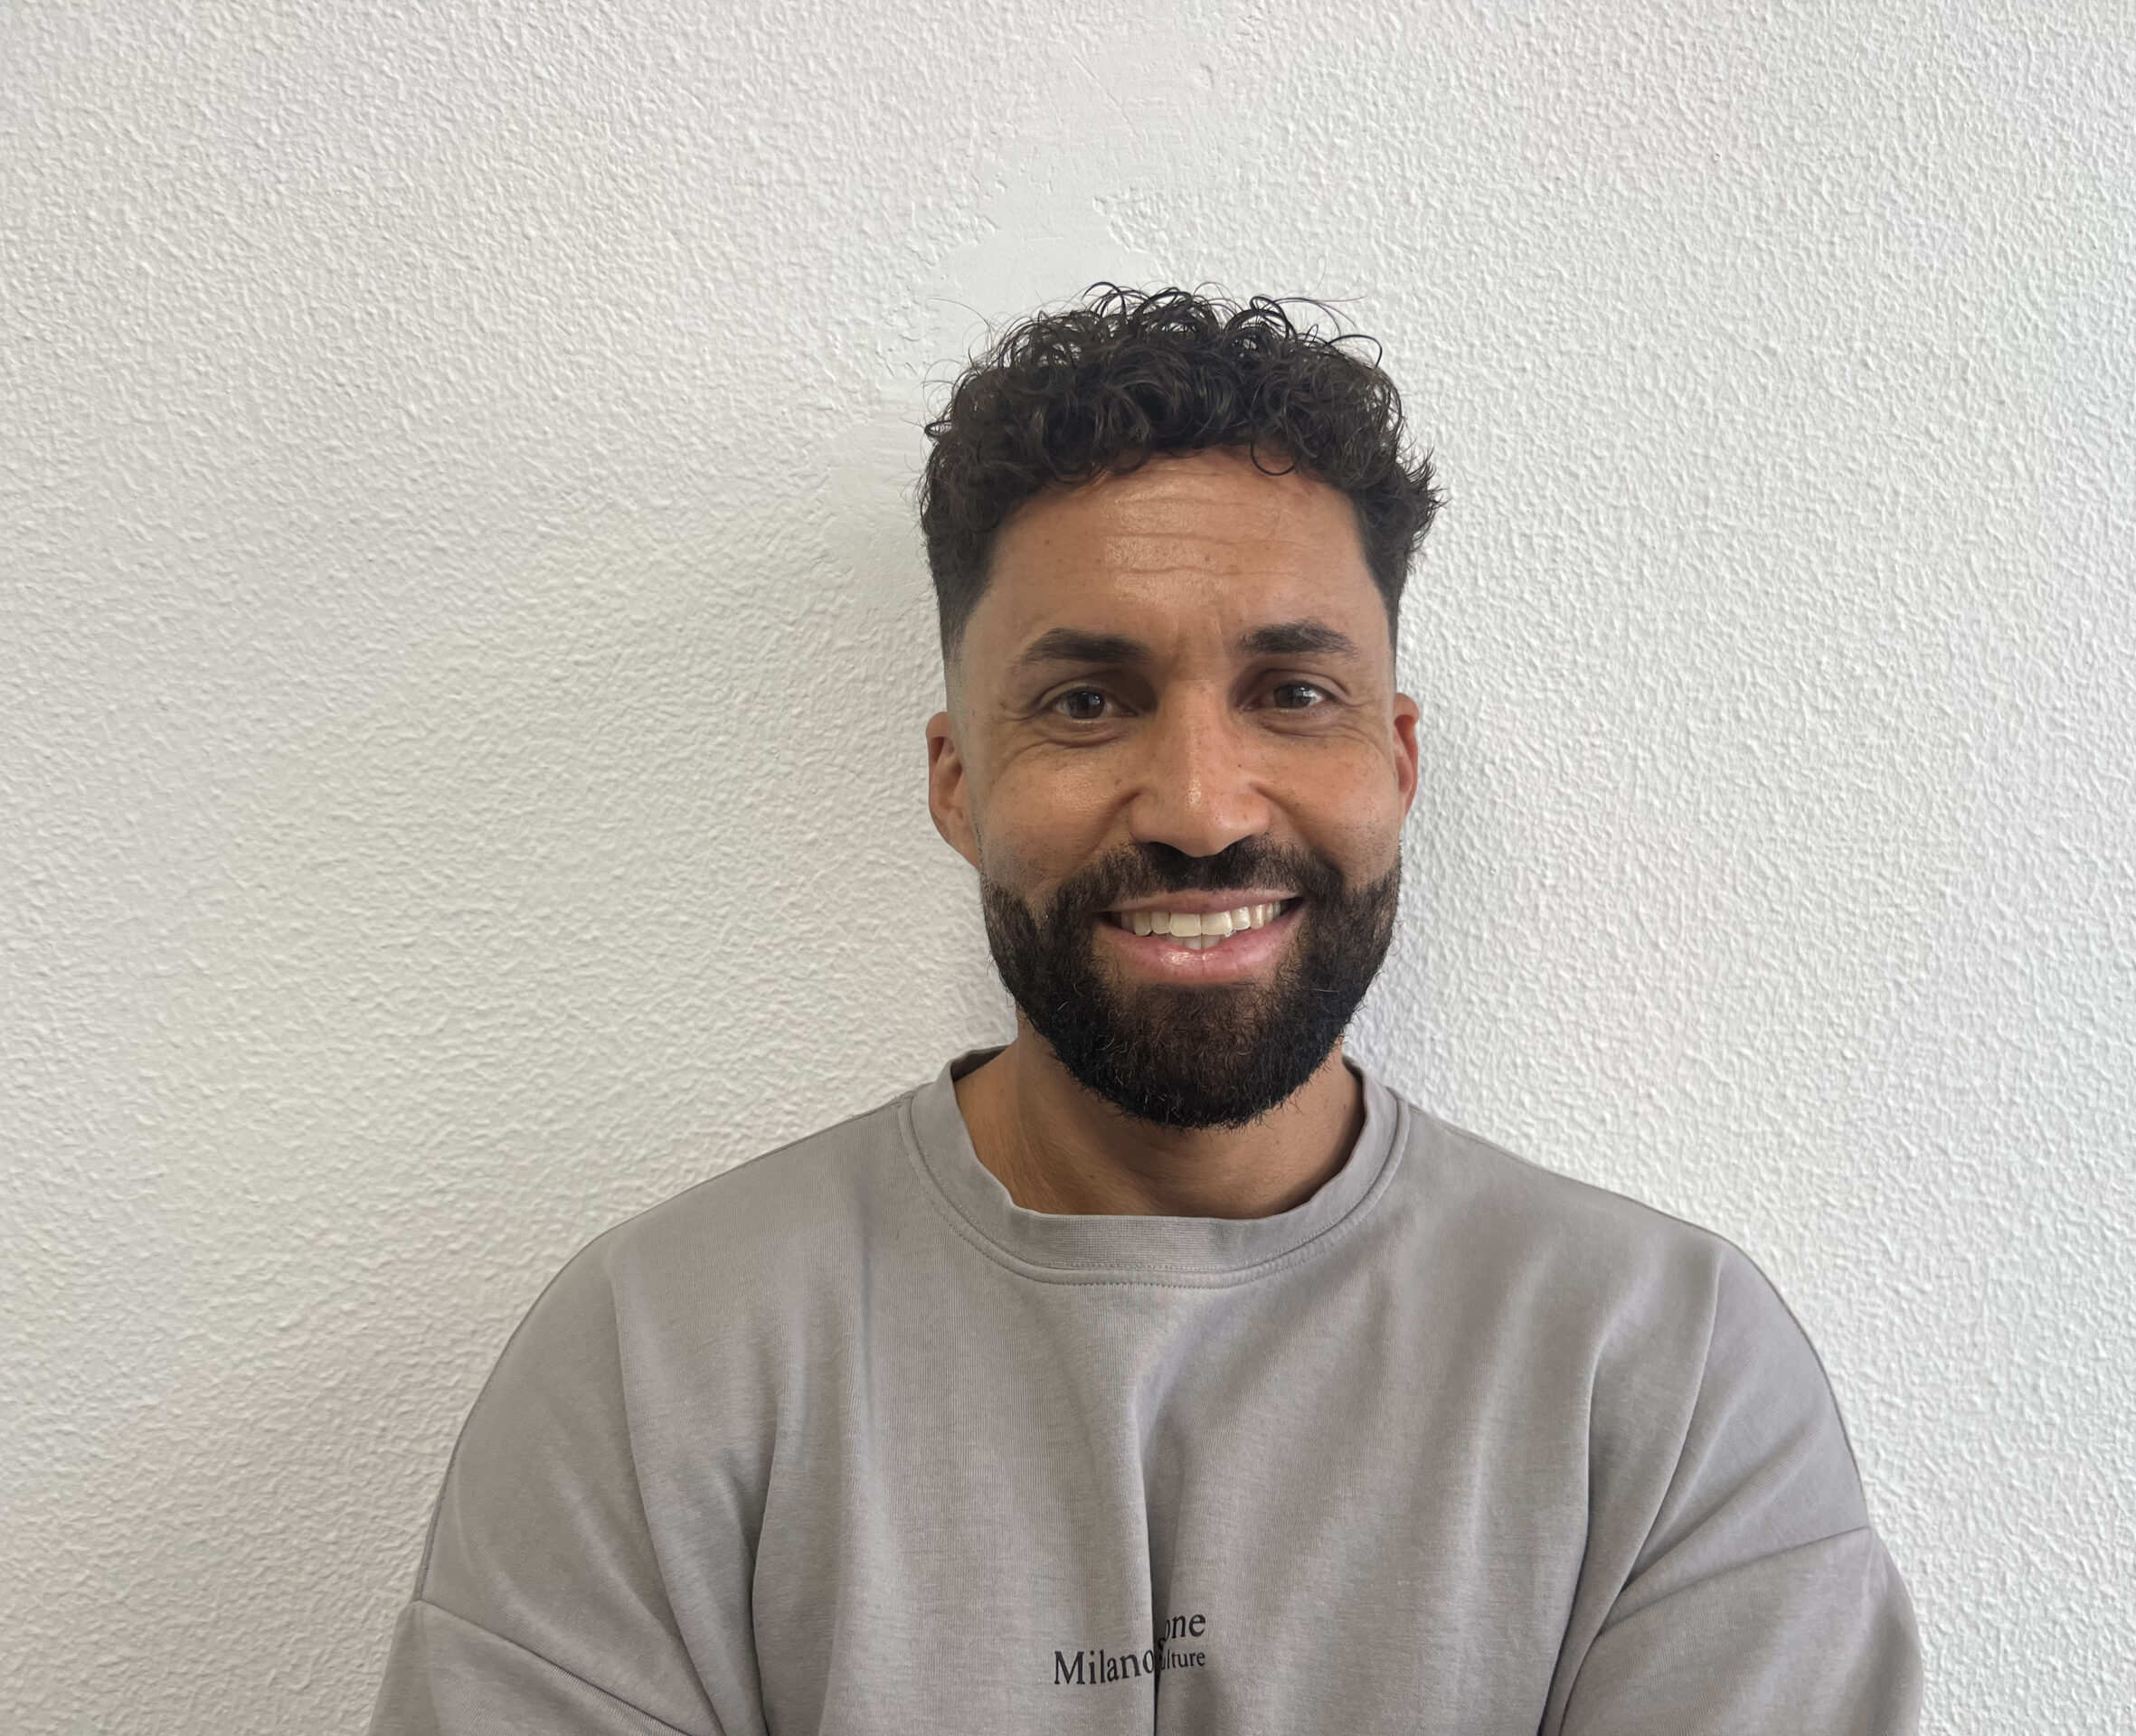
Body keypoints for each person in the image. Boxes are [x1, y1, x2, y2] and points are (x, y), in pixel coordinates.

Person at [368, 288, 1922, 1734]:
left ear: (1396, 761)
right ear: (958, 783)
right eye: (1087, 703)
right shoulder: (658, 1358)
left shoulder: (1663, 1369)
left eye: (1291, 694)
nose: (1198, 807)